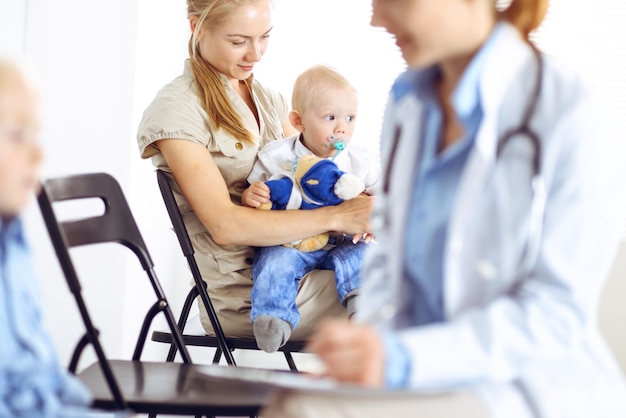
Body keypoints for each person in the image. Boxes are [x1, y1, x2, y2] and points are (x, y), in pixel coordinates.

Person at [261, 0, 626, 417]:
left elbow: (554, 317)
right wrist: (367, 350)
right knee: (291, 403)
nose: (376, 19)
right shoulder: (409, 101)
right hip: (416, 374)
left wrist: (401, 359)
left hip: (518, 383)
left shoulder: (571, 115)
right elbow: (389, 256)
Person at [136, 0, 373, 341]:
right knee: (415, 294)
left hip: (311, 256)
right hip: (253, 289)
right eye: (238, 41)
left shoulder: (268, 99)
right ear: (196, 28)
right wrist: (339, 218)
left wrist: (363, 207)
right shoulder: (177, 111)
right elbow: (225, 225)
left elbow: (316, 176)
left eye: (264, 37)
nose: (256, 54)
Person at [241, 64, 379, 353]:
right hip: (294, 243)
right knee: (273, 260)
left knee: (367, 255)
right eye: (330, 118)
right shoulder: (276, 156)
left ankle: (362, 309)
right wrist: (252, 196)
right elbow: (255, 201)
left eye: (350, 118)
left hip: (342, 242)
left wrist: (373, 220)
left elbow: (386, 200)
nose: (342, 127)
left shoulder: (360, 160)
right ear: (299, 121)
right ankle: (273, 317)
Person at [0, 58, 96, 418]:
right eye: (15, 134)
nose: (38, 153)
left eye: (35, 133)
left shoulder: (13, 239)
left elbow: (42, 376)